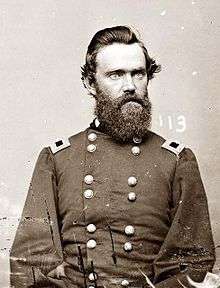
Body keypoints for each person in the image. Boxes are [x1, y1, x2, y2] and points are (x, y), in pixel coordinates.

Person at [10, 26, 215, 288]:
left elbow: (191, 266)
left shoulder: (177, 161)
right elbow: (31, 264)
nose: (130, 86)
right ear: (90, 83)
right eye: (116, 75)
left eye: (138, 74)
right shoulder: (57, 159)